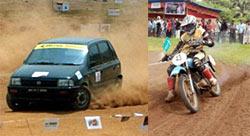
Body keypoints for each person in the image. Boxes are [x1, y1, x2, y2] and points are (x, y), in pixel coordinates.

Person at [161, 15, 217, 102]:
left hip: (198, 53)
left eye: (189, 26)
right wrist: (169, 56)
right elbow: (178, 48)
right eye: (185, 26)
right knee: (170, 69)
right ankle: (171, 92)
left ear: (194, 24)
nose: (187, 28)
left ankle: (211, 79)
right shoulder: (184, 36)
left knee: (196, 61)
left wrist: (202, 41)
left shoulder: (200, 31)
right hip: (185, 54)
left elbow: (211, 42)